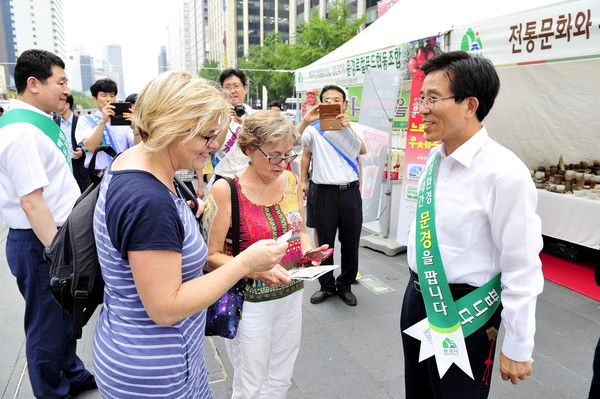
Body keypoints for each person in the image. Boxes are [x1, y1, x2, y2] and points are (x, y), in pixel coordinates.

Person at [91, 71, 287, 398]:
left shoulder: (136, 164)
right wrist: (245, 264)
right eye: (206, 136)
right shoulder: (149, 200)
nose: (213, 146)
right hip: (156, 369)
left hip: (141, 350)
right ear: (171, 128)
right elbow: (165, 307)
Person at [400, 51, 544, 399]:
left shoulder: (504, 174)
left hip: (466, 313)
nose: (422, 108)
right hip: (417, 298)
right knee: (418, 392)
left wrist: (519, 345)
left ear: (470, 104)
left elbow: (522, 265)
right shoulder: (436, 158)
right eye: (422, 98)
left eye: (433, 98)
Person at [207, 110, 323, 398]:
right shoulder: (226, 190)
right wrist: (255, 269)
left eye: (288, 155)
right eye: (274, 155)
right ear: (249, 149)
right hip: (250, 302)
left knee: (281, 376)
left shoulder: (292, 180)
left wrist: (309, 251)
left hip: (292, 292)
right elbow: (211, 256)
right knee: (250, 382)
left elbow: (301, 231)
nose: (282, 163)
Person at [0, 49, 96, 399]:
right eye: (61, 81)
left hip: (52, 238)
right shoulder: (21, 132)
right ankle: (51, 392)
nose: (66, 90)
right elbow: (31, 201)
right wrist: (59, 254)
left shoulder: (36, 123)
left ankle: (71, 372)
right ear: (33, 84)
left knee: (63, 316)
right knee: (46, 324)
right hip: (42, 242)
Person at [299, 84, 366, 306]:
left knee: (350, 241)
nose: (330, 104)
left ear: (345, 104)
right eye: (326, 100)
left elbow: (362, 150)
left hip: (350, 192)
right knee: (324, 243)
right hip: (324, 193)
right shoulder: (313, 129)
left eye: (335, 100)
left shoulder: (354, 127)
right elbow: (296, 148)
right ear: (320, 103)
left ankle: (345, 284)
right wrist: (306, 121)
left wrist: (348, 129)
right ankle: (326, 285)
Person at [74, 78, 135, 175]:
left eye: (112, 95)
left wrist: (136, 128)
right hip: (100, 174)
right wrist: (103, 121)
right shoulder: (86, 120)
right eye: (104, 95)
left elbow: (136, 147)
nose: (108, 99)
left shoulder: (123, 121)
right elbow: (90, 147)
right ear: (95, 99)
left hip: (123, 172)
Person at [209, 68, 256, 184]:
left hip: (249, 177)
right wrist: (225, 120)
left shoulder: (255, 115)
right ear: (222, 90)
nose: (232, 91)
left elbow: (262, 145)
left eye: (236, 86)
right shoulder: (214, 116)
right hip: (223, 177)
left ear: (245, 89)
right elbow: (214, 148)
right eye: (227, 87)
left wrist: (244, 125)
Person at [54, 94, 88, 192]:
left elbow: (95, 142)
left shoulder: (81, 122)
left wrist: (83, 150)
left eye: (59, 102)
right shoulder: (54, 123)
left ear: (67, 105)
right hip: (61, 167)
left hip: (79, 165)